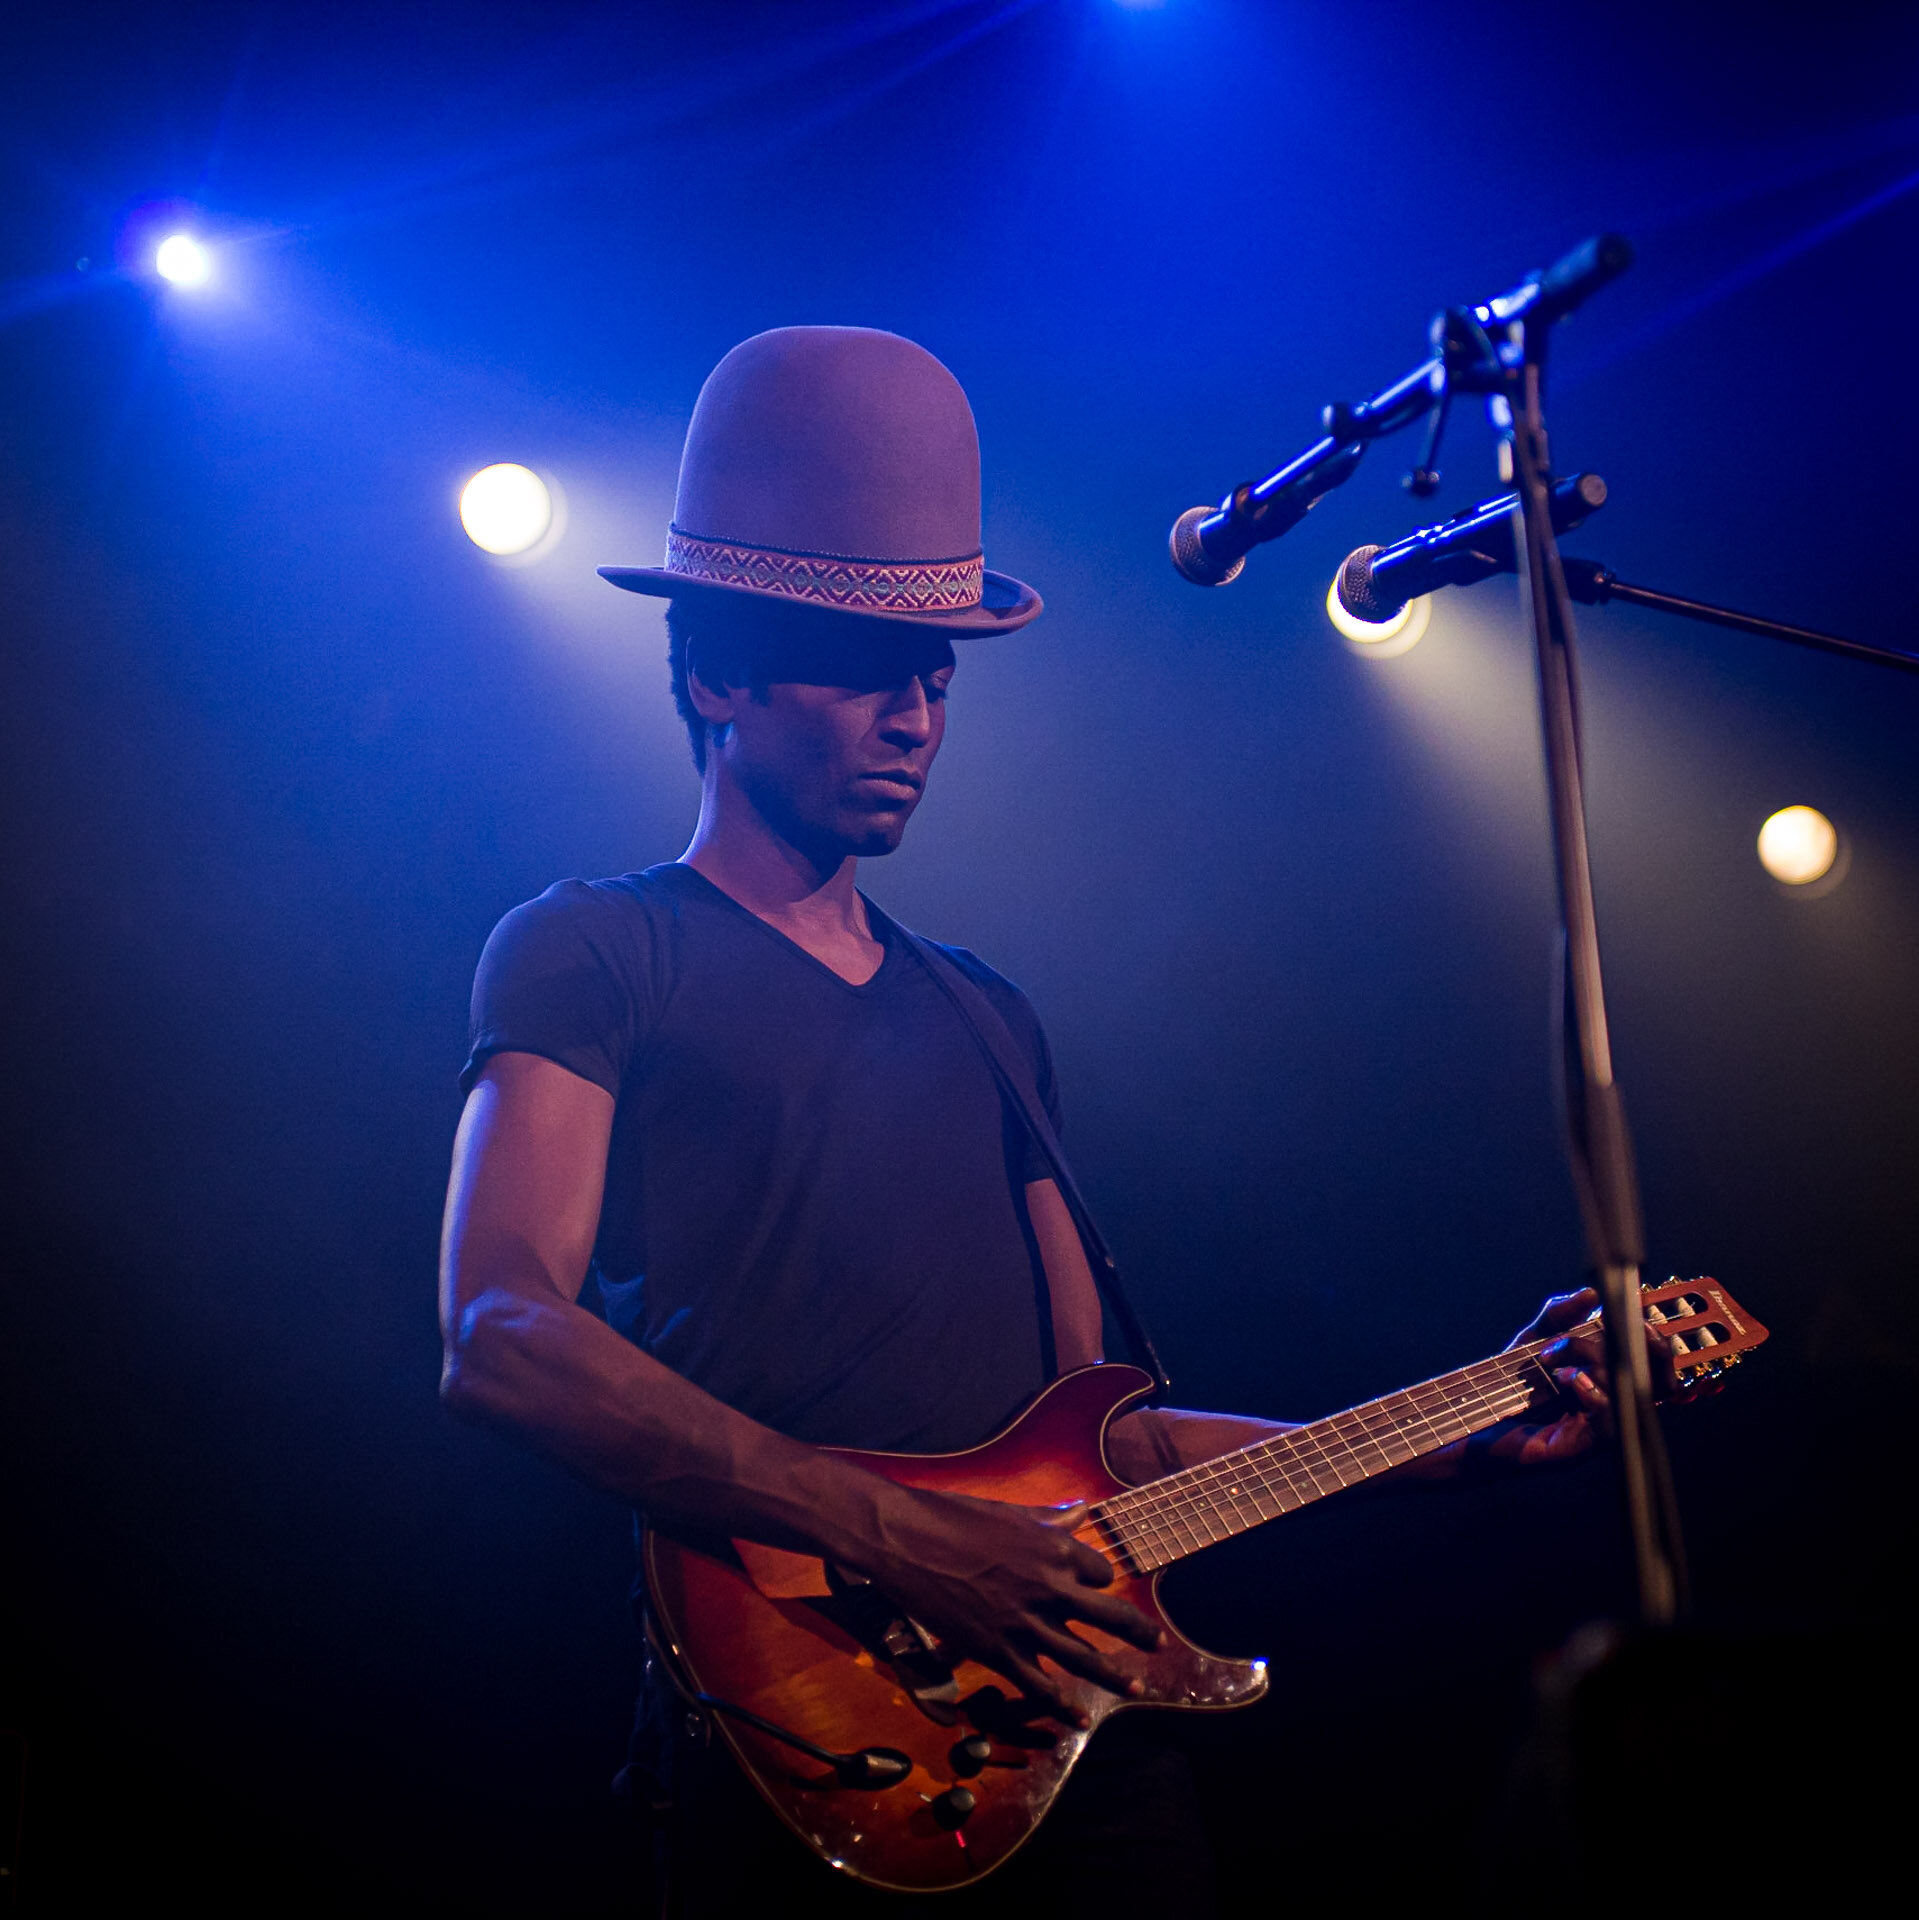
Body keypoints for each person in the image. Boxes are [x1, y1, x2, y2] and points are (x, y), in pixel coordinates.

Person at [437, 327, 1645, 1915]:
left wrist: (1454, 1433)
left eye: (935, 673)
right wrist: (907, 1536)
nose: (917, 714)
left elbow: (1106, 1444)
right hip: (806, 1731)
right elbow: (500, 1330)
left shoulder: (985, 1015)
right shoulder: (595, 948)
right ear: (716, 669)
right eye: (865, 665)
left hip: (1084, 1747)